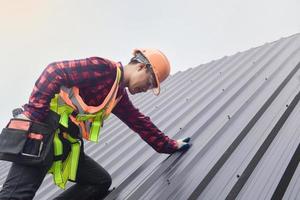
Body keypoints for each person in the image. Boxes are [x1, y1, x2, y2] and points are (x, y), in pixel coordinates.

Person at [0, 48, 191, 200]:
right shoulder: (103, 69)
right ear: (141, 67)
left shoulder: (117, 96)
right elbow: (54, 70)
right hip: (43, 135)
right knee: (16, 196)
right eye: (150, 83)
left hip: (66, 144)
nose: (146, 89)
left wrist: (170, 145)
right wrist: (34, 114)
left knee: (99, 182)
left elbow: (139, 123)